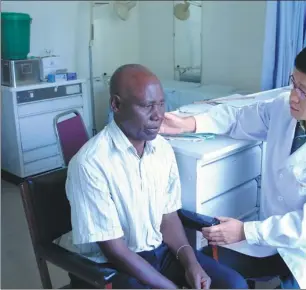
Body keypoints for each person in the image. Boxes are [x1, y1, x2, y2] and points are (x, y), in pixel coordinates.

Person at [159, 40, 306, 289]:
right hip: (270, 239)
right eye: (293, 83)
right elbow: (239, 118)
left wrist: (247, 232)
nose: (293, 96)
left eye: (305, 92)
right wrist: (189, 124)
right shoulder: (285, 108)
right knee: (212, 268)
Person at [61, 64, 248, 289]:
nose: (158, 115)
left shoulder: (161, 149)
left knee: (234, 284)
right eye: (147, 105)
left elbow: (168, 218)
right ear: (116, 104)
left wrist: (191, 264)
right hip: (110, 267)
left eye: (160, 103)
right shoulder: (91, 164)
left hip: (157, 253)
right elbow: (115, 250)